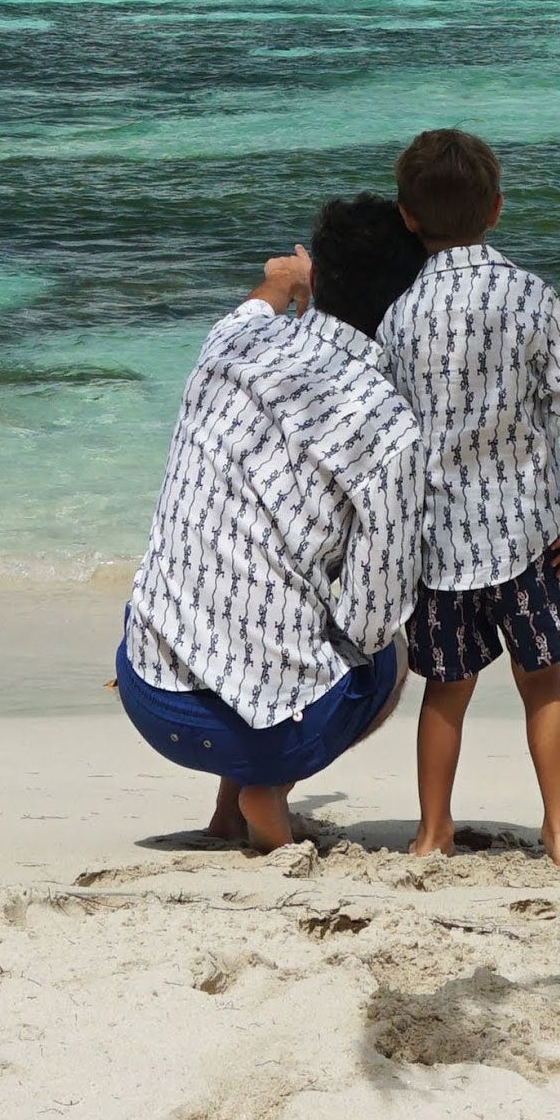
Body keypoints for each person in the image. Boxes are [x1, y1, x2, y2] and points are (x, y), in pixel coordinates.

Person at [116, 195, 429, 853]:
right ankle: (269, 794)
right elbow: (375, 614)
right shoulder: (390, 423)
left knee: (232, 576)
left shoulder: (233, 340)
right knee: (388, 653)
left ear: (318, 278)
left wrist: (285, 279)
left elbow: (263, 295)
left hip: (147, 691)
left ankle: (227, 814)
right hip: (256, 732)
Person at [376, 126, 560, 868]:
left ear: (407, 216)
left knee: (445, 689)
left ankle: (432, 832)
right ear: (498, 208)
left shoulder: (400, 316)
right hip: (532, 531)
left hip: (442, 543)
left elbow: (389, 427)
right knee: (543, 683)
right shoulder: (531, 296)